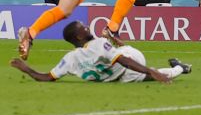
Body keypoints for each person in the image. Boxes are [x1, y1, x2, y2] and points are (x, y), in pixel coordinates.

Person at [11, 21, 191, 84]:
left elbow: (46, 77)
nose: (87, 26)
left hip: (129, 61)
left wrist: (26, 69)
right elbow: (124, 61)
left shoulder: (70, 59)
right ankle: (179, 67)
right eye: (83, 27)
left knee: (125, 57)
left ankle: (177, 69)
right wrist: (150, 71)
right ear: (78, 36)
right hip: (123, 67)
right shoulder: (93, 46)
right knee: (118, 55)